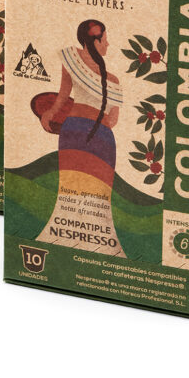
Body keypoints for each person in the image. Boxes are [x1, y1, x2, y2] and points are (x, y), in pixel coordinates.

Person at [40, 20, 126, 255]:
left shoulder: (111, 79)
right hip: (94, 135)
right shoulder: (74, 61)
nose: (108, 44)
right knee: (77, 188)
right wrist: (52, 113)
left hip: (78, 131)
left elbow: (62, 97)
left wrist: (52, 113)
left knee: (82, 190)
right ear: (94, 41)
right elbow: (112, 119)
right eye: (104, 39)